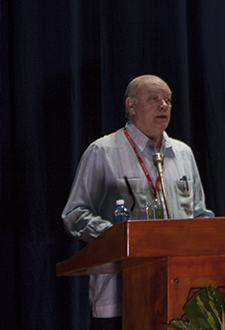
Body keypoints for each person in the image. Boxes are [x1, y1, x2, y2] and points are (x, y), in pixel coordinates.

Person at [62, 75, 214, 330]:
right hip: (119, 295)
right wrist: (120, 237)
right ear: (131, 106)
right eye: (154, 99)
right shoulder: (103, 151)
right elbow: (75, 214)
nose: (164, 106)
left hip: (180, 293)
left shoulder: (183, 154)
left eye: (168, 100)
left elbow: (199, 215)